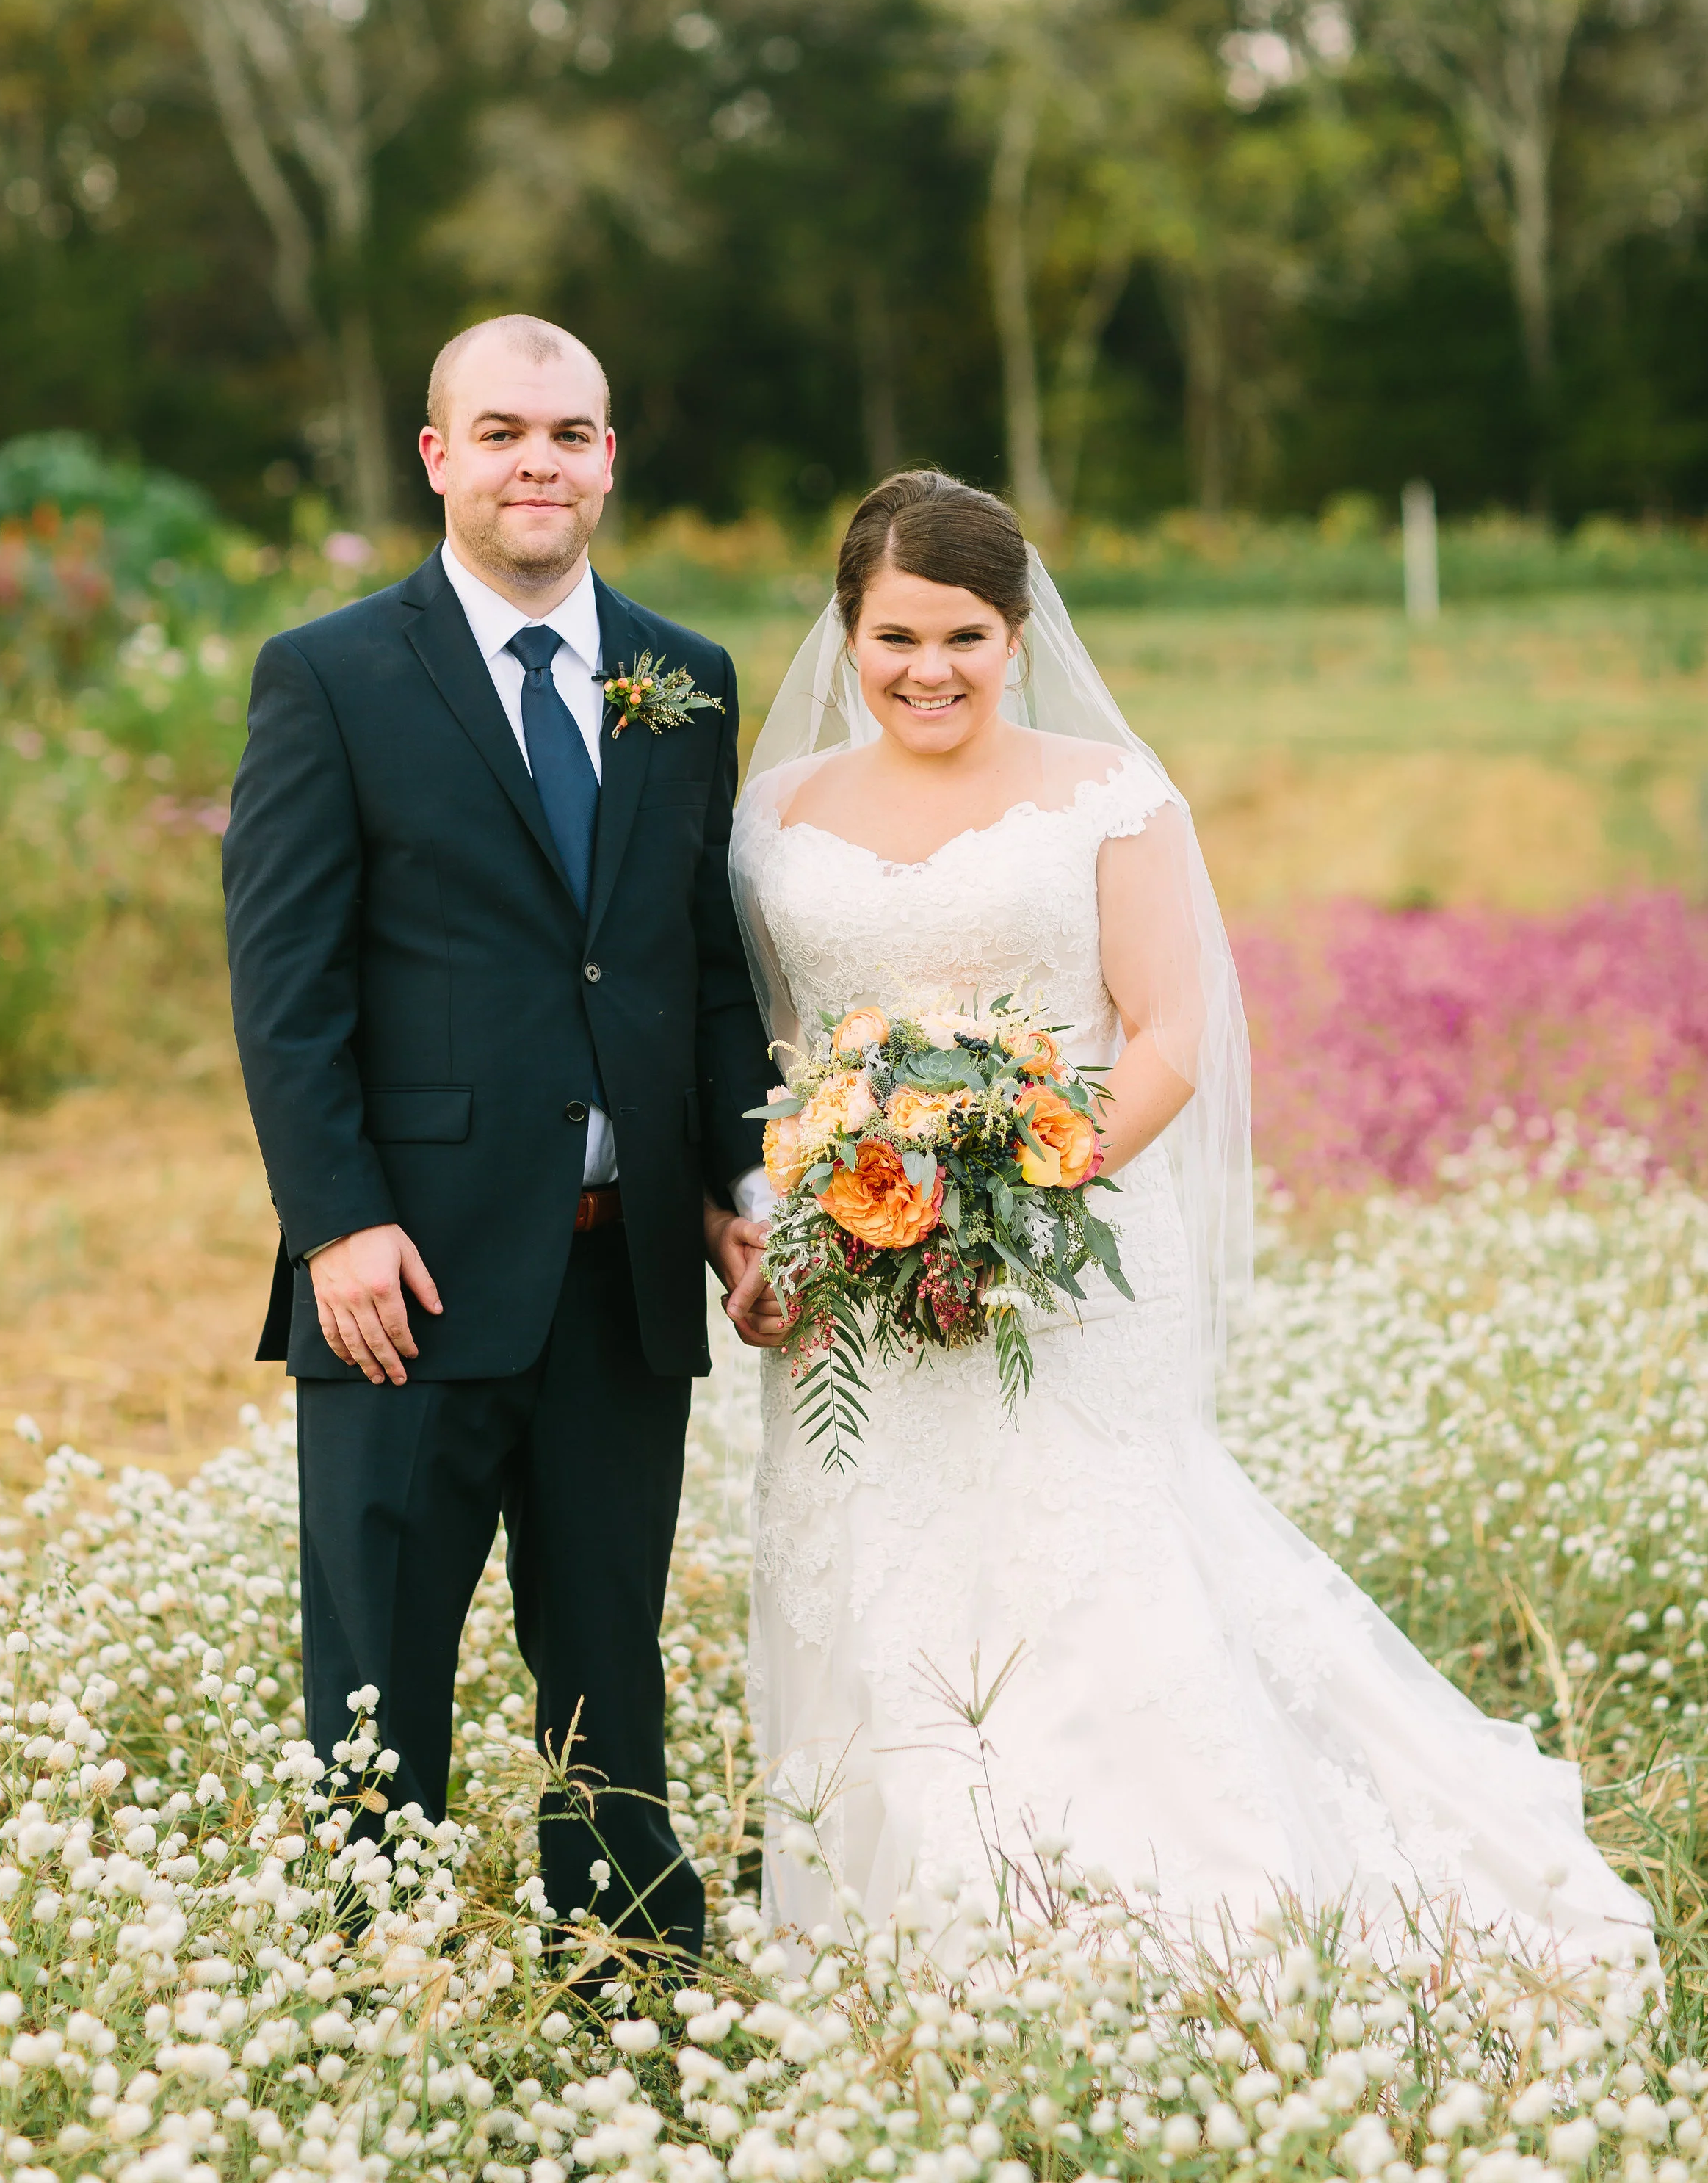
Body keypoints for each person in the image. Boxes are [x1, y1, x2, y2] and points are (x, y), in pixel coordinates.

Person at [728, 466, 1647, 1956]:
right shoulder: (773, 815)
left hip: (1061, 1267)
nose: (928, 670)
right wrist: (800, 1214)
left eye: (962, 635)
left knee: (1088, 1581)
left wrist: (1008, 1187)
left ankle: (1164, 1929)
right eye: (895, 637)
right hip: (854, 1297)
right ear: (845, 636)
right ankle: (907, 1948)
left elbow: (1165, 1026)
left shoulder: (1102, 795)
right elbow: (765, 1044)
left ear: (1016, 634)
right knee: (876, 1587)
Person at [223, 313, 778, 1958]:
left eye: (571, 431)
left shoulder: (683, 680)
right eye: (503, 430)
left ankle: (625, 1981)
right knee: (378, 1669)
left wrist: (741, 1186)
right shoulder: (328, 674)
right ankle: (362, 1990)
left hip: (620, 1280)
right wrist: (336, 1222)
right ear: (437, 457)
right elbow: (286, 982)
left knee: (611, 1655)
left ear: (609, 456)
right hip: (410, 1274)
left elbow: (697, 967)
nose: (539, 459)